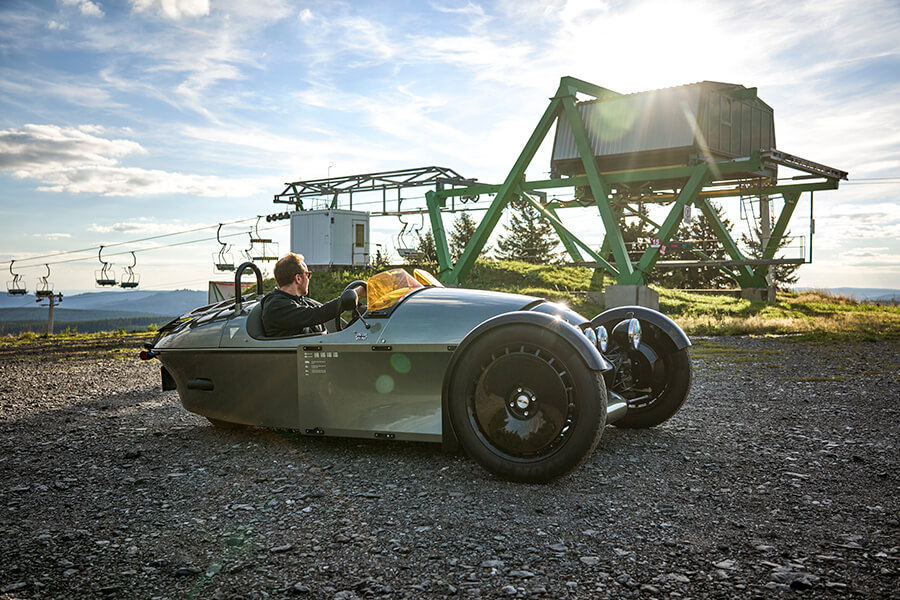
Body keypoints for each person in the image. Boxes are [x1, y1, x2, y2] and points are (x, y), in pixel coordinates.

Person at [260, 253, 365, 337]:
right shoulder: (276, 306)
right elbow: (317, 314)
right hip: (295, 355)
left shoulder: (299, 301)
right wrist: (356, 292)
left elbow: (322, 310)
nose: (309, 279)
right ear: (298, 278)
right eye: (308, 274)